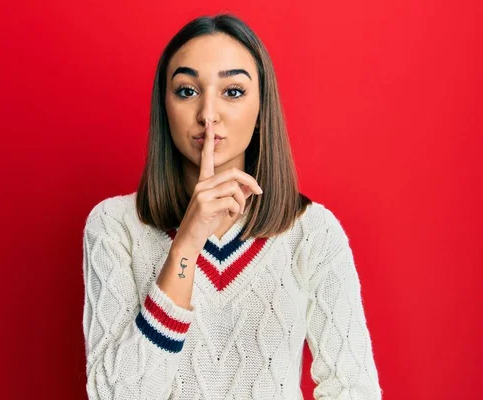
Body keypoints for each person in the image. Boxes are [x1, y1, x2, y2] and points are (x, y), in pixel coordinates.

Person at [82, 13, 383, 400]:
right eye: (187, 91)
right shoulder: (113, 226)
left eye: (233, 91)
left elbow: (354, 389)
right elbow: (114, 395)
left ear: (261, 110)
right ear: (164, 108)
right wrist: (187, 245)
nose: (208, 114)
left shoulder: (312, 232)